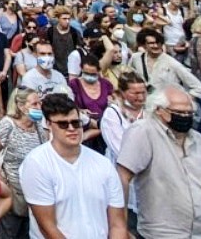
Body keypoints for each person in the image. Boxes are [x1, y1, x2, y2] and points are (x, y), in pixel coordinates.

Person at [117, 84, 201, 239]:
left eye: (189, 113)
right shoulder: (144, 132)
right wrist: (121, 229)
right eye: (179, 112)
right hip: (161, 234)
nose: (185, 117)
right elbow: (122, 177)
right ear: (159, 110)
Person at [19, 94, 127, 239]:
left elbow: (117, 224)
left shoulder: (103, 164)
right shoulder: (36, 164)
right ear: (49, 125)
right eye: (63, 124)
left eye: (76, 123)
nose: (71, 129)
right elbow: (47, 227)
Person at [0, 86, 47, 239]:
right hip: (13, 194)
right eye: (34, 104)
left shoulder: (39, 127)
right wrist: (0, 180)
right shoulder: (8, 125)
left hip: (33, 195)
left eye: (40, 103)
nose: (39, 107)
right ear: (20, 105)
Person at [129, 28, 201, 99]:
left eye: (158, 43)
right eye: (151, 43)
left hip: (166, 108)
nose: (156, 46)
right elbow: (128, 78)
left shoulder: (172, 63)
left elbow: (198, 88)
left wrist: (181, 101)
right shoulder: (136, 58)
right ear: (143, 45)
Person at [69, 54, 113, 152]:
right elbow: (70, 107)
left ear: (98, 71)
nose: (89, 76)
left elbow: (113, 102)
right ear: (81, 69)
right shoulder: (74, 84)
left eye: (93, 74)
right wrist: (80, 111)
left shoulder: (106, 84)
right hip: (84, 129)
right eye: (86, 73)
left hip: (105, 129)